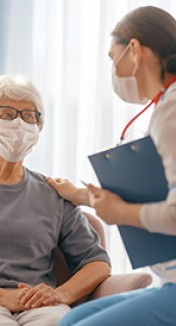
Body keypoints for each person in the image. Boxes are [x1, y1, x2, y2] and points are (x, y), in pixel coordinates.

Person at [0, 74, 111, 326]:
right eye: (7, 114)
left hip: (37, 304)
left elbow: (97, 262)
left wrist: (59, 294)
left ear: (39, 128)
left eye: (29, 116)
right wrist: (2, 297)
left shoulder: (54, 193)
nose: (20, 124)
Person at [46, 6, 176, 326]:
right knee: (68, 321)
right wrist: (80, 196)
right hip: (168, 280)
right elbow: (154, 194)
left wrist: (120, 214)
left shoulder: (171, 111)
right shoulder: (164, 107)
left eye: (111, 57)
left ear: (134, 49)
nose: (113, 69)